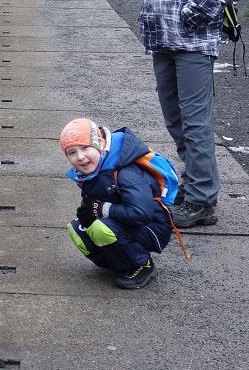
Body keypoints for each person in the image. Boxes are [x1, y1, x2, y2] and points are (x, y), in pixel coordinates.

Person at [137, 0, 239, 228]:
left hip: (191, 42)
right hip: (163, 39)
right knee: (176, 120)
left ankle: (201, 201)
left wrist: (187, 18)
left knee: (195, 123)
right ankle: (195, 187)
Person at [61, 118, 173, 290]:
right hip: (124, 222)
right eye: (72, 152)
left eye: (85, 148)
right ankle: (119, 263)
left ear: (100, 144)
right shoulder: (92, 171)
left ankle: (143, 264)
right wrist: (89, 212)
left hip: (152, 227)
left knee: (101, 228)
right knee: (77, 230)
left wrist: (102, 209)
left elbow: (142, 214)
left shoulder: (125, 173)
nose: (80, 157)